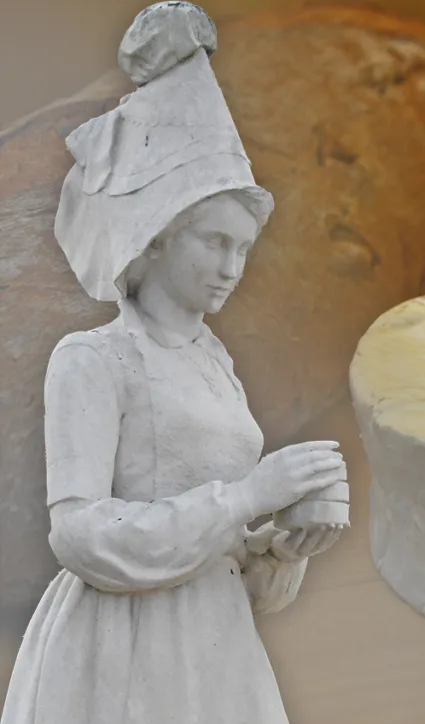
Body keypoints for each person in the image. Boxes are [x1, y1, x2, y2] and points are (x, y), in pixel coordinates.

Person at [0, 4, 346, 722]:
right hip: (116, 651)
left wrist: (280, 549)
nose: (231, 267)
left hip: (214, 647)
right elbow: (81, 534)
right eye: (213, 241)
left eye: (243, 248)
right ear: (156, 240)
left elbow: (233, 572)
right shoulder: (93, 360)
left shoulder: (215, 365)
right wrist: (248, 498)